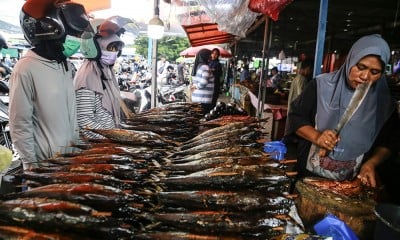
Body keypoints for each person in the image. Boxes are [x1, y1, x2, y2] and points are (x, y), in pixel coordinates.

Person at [286, 34, 397, 188]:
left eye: (375, 71)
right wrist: (318, 136)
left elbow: (389, 142)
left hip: (350, 184)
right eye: (361, 67)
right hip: (310, 176)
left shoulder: (384, 105)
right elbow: (296, 118)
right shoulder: (320, 86)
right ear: (350, 60)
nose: (365, 76)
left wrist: (371, 163)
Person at [9, 0, 90, 170]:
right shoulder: (25, 68)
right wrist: (33, 169)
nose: (76, 40)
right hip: (46, 166)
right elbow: (20, 125)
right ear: (50, 29)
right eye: (72, 33)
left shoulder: (65, 65)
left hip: (71, 162)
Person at [74, 19, 125, 139]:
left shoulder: (106, 71)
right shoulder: (88, 75)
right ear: (95, 47)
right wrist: (110, 138)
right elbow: (83, 121)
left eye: (116, 49)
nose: (114, 52)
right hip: (97, 146)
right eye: (110, 48)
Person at [191, 48, 214, 114]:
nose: (211, 57)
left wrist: (195, 86)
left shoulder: (198, 66)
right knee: (203, 118)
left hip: (197, 97)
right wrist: (197, 86)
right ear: (205, 56)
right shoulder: (205, 67)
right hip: (204, 98)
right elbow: (204, 82)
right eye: (210, 55)